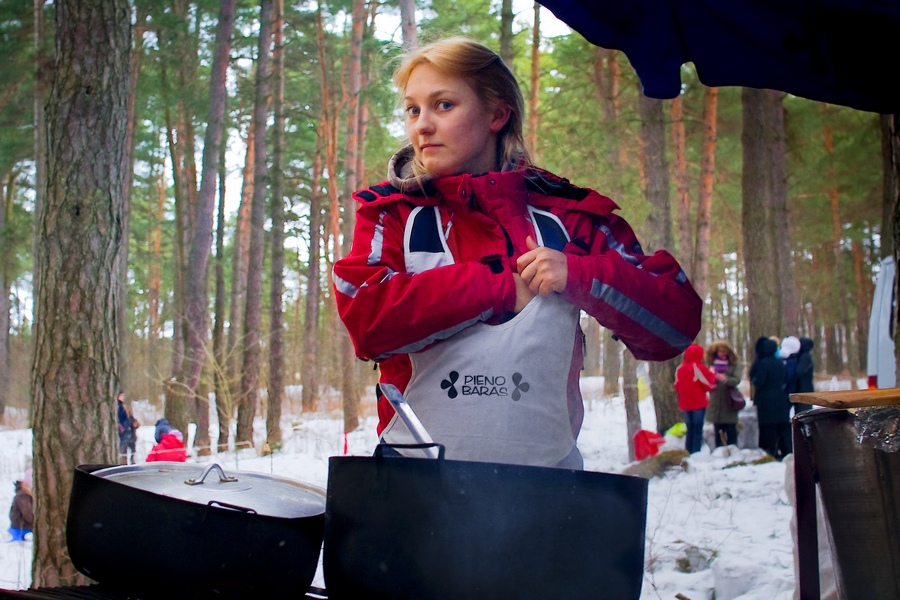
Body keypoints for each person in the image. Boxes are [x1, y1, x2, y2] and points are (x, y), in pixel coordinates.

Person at [332, 37, 702, 469]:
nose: (422, 126)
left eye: (443, 105)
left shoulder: (569, 214)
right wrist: (501, 288)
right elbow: (367, 320)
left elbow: (675, 324)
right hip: (414, 481)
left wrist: (580, 276)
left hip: (547, 485)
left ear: (497, 114)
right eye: (413, 110)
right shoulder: (392, 213)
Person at [749, 336, 792, 460]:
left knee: (769, 428)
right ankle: (786, 451)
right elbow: (785, 379)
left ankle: (771, 452)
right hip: (781, 398)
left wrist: (755, 380)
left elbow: (759, 382)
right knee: (782, 427)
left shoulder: (763, 363)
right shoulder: (780, 362)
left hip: (766, 400)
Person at [674, 344, 715, 454]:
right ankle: (696, 452)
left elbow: (676, 386)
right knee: (697, 429)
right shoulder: (698, 368)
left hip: (684, 404)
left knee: (690, 429)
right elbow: (708, 385)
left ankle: (688, 451)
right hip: (698, 403)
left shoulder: (679, 368)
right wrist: (712, 374)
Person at [705, 340, 743, 447]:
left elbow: (737, 380)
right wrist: (710, 376)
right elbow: (704, 380)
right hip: (716, 399)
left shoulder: (734, 363)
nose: (722, 354)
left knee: (731, 429)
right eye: (720, 351)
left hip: (729, 399)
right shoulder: (710, 363)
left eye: (724, 351)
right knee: (718, 430)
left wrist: (725, 379)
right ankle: (719, 450)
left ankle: (732, 449)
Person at [793, 337, 815, 414]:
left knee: (803, 413)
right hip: (804, 389)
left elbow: (799, 371)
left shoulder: (805, 357)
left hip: (804, 390)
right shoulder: (804, 356)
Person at [8, 476, 33, 542]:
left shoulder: (22, 495)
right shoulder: (23, 496)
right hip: (22, 528)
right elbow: (28, 514)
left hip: (21, 528)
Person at [116, 392, 138, 465]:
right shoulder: (119, 407)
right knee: (123, 454)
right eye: (121, 396)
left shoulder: (126, 408)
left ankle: (132, 464)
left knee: (133, 453)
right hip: (124, 434)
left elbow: (133, 421)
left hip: (130, 434)